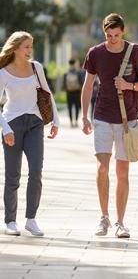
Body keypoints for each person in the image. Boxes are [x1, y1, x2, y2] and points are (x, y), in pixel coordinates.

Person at [81, 13, 138, 238]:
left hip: (126, 120)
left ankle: (121, 222)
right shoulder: (95, 53)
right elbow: (88, 85)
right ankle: (104, 217)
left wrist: (128, 85)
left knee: (122, 172)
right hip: (102, 117)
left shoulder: (135, 51)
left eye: (117, 35)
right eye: (109, 35)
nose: (113, 39)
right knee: (102, 168)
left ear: (123, 32)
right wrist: (84, 116)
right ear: (104, 32)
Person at [0, 31, 59, 236]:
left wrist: (56, 121)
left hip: (35, 123)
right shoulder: (3, 73)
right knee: (13, 175)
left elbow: (47, 93)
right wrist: (5, 129)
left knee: (36, 171)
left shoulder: (36, 68)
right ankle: (10, 221)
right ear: (15, 48)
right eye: (26, 46)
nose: (29, 51)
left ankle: (31, 219)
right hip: (12, 125)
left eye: (31, 47)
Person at [63, 58, 83, 127]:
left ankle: (71, 122)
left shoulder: (66, 73)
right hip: (77, 92)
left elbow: (64, 85)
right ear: (75, 63)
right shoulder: (78, 72)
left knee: (70, 107)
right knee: (77, 107)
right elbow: (81, 83)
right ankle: (76, 121)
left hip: (69, 92)